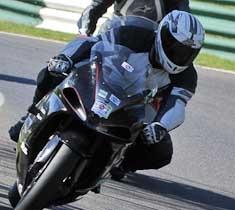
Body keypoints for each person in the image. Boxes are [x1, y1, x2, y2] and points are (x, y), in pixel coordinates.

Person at [8, 11, 204, 178]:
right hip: (100, 83)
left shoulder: (187, 76)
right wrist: (66, 58)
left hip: (136, 112)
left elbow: (177, 105)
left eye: (187, 52)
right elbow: (90, 44)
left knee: (162, 152)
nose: (179, 55)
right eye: (174, 46)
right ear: (161, 35)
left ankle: (119, 166)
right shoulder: (134, 34)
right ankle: (32, 115)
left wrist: (160, 126)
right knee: (49, 73)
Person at [77, 0, 191, 37]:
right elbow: (94, 9)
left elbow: (183, 18)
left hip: (150, 47)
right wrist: (84, 34)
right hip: (113, 40)